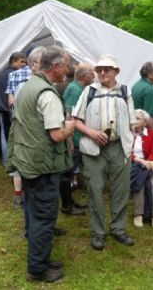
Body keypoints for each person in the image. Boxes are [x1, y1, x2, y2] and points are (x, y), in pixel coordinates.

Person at [6, 46, 74, 283]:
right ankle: (37, 269)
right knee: (44, 217)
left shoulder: (28, 86)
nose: (69, 69)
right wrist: (71, 126)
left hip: (28, 161)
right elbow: (56, 135)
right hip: (42, 165)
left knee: (36, 213)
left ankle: (40, 259)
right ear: (55, 67)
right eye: (66, 65)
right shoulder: (46, 93)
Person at [73, 54, 136, 251]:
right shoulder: (88, 91)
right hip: (93, 149)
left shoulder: (125, 91)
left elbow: (133, 122)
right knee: (95, 189)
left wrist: (131, 138)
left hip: (119, 147)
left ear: (116, 72)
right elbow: (75, 120)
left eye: (107, 69)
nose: (102, 72)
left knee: (121, 190)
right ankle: (98, 233)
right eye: (99, 69)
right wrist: (92, 133)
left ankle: (118, 229)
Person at [6, 46, 46, 208]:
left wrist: (15, 113)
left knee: (18, 154)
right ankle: (33, 197)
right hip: (36, 124)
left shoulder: (13, 75)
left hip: (18, 121)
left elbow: (10, 98)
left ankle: (19, 196)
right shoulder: (41, 78)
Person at [60, 62, 95, 216]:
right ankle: (67, 206)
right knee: (67, 172)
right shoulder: (75, 90)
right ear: (85, 76)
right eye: (92, 74)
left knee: (70, 171)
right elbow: (69, 116)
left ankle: (70, 202)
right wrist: (70, 140)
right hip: (73, 138)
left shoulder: (79, 88)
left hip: (76, 137)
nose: (94, 77)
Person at [0, 52, 27, 164]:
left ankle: (7, 160)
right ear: (13, 61)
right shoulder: (13, 74)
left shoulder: (2, 73)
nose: (24, 64)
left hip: (2, 108)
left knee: (5, 134)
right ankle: (8, 161)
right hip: (6, 110)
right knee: (8, 136)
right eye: (22, 61)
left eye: (25, 62)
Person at [131, 109, 153, 228]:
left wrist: (148, 162)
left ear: (145, 122)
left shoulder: (151, 134)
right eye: (134, 118)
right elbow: (127, 153)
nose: (135, 121)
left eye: (138, 119)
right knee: (140, 181)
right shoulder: (129, 133)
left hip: (148, 165)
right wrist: (140, 161)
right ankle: (138, 214)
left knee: (152, 183)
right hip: (133, 165)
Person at [132, 62, 153, 129]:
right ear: (150, 74)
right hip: (145, 128)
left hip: (136, 126)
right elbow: (149, 117)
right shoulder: (149, 90)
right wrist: (152, 136)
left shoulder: (136, 85)